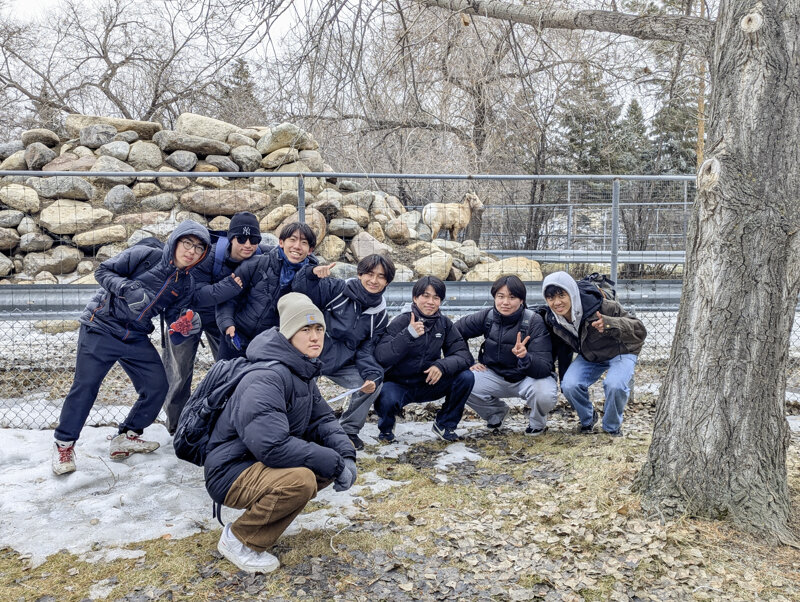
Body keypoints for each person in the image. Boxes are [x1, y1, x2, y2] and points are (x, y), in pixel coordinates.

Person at [204, 293, 357, 574]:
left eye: (319, 329)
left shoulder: (300, 369)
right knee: (301, 480)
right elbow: (272, 447)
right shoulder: (266, 377)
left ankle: (263, 524)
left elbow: (322, 419)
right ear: (288, 334)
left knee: (318, 469)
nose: (315, 337)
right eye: (305, 329)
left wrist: (346, 455)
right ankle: (239, 540)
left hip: (254, 463)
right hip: (230, 471)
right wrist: (333, 462)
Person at [52, 221, 210, 475]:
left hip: (135, 336)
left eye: (199, 248)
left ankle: (127, 435)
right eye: (187, 243)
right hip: (101, 326)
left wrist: (184, 325)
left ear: (203, 254)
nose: (191, 251)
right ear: (176, 242)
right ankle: (64, 445)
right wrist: (127, 288)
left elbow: (173, 319)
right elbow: (103, 271)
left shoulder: (186, 283)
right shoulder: (147, 255)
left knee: (158, 386)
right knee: (86, 387)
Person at [161, 211, 265, 434]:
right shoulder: (207, 255)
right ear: (231, 238)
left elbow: (287, 257)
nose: (248, 244)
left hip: (224, 318)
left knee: (231, 368)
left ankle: (225, 420)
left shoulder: (260, 256)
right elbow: (195, 295)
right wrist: (229, 287)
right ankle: (176, 425)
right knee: (180, 371)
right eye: (242, 239)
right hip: (188, 315)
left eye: (254, 239)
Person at [292, 253, 394, 451]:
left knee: (375, 381)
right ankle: (299, 429)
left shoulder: (380, 315)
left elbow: (367, 349)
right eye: (370, 274)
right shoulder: (337, 289)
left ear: (387, 282)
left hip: (342, 362)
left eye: (381, 276)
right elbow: (301, 288)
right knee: (299, 388)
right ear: (360, 274)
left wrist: (370, 375)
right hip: (311, 354)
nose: (374, 280)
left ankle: (348, 430)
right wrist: (312, 273)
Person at [541, 271, 647, 436]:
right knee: (569, 385)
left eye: (562, 295)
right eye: (551, 298)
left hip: (622, 351)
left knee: (614, 384)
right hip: (591, 355)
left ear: (572, 293)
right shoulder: (553, 319)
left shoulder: (601, 306)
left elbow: (640, 330)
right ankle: (588, 419)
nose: (557, 302)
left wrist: (610, 324)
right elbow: (561, 350)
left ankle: (611, 427)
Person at [374, 276, 474, 443]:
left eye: (436, 297)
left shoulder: (444, 324)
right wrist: (407, 335)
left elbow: (464, 356)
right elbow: (382, 355)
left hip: (429, 382)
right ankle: (386, 428)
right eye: (425, 296)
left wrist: (442, 366)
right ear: (415, 298)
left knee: (466, 376)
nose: (431, 302)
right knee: (385, 395)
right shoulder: (402, 321)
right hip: (400, 384)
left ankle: (444, 424)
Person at [455, 275, 558, 435]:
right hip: (494, 375)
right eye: (500, 296)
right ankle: (496, 415)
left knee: (544, 394)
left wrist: (525, 357)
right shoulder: (488, 316)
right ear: (494, 297)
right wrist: (467, 361)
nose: (505, 302)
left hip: (527, 378)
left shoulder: (534, 321)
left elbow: (544, 367)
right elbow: (455, 333)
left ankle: (537, 424)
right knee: (460, 381)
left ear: (522, 300)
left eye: (512, 297)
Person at [216, 222, 318, 360]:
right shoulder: (256, 264)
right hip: (237, 336)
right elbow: (228, 297)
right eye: (292, 240)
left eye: (304, 242)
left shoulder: (312, 279)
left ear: (310, 250)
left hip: (271, 346)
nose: (297, 246)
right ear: (281, 242)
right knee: (224, 379)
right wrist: (227, 324)